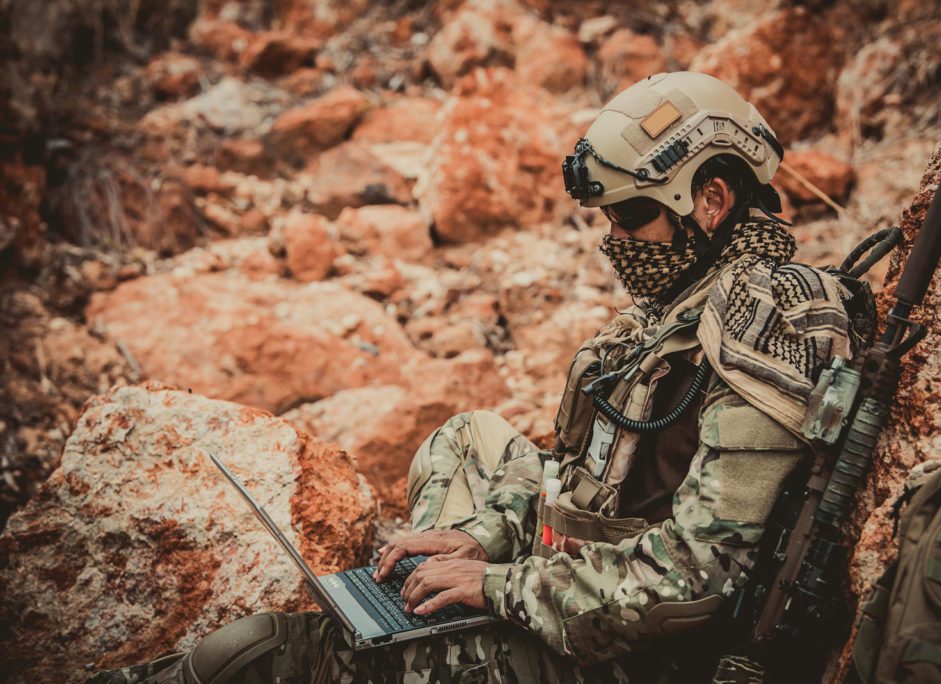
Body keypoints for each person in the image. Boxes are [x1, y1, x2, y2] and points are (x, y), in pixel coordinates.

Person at [91, 72, 853, 683]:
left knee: (264, 653)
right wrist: (485, 539)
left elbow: (695, 578)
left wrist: (496, 588)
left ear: (710, 202)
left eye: (629, 218)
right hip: (575, 596)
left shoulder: (763, 325)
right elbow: (581, 482)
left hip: (629, 654)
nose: (614, 243)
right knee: (464, 449)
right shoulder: (681, 306)